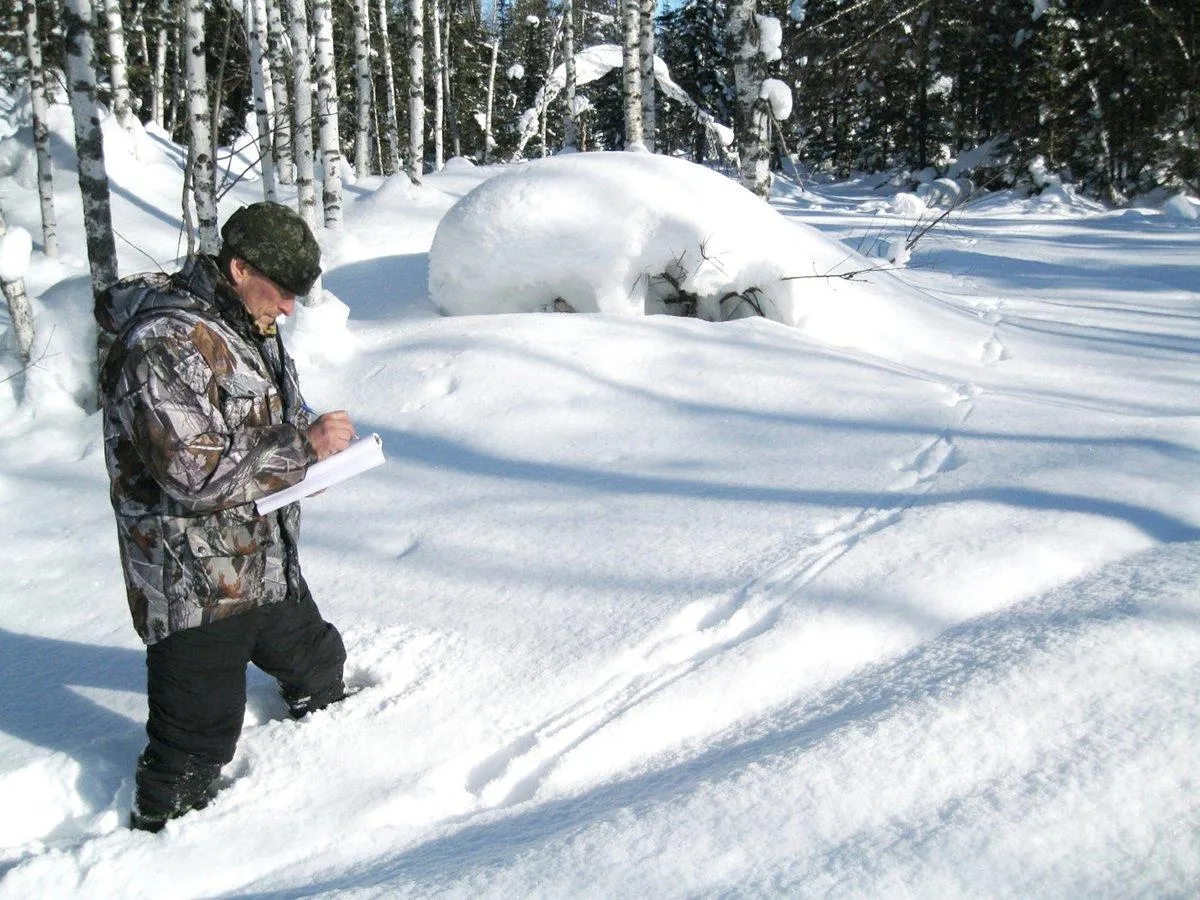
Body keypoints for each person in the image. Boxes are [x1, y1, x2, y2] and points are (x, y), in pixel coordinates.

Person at [96, 202, 357, 833]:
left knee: (317, 663)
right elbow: (191, 471)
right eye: (283, 291)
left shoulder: (249, 325)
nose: (290, 308)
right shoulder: (161, 342)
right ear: (238, 267)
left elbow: (272, 422)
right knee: (195, 744)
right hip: (195, 581)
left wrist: (309, 463)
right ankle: (156, 850)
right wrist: (302, 451)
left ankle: (345, 755)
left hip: (261, 557)